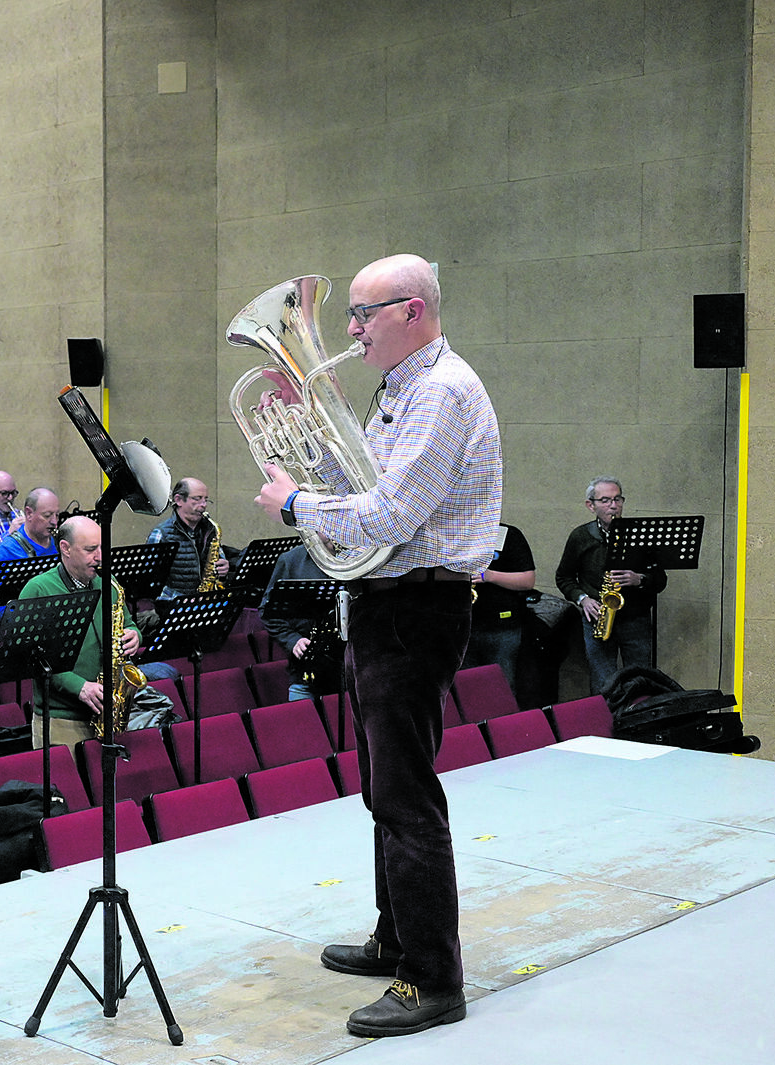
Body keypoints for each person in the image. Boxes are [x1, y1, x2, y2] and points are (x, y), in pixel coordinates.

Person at [254, 254, 500, 1038]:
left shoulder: (443, 390)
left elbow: (389, 514)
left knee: (405, 796)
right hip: (384, 603)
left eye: (365, 313)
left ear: (414, 312)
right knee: (381, 789)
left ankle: (432, 978)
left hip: (416, 606)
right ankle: (397, 937)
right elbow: (355, 483)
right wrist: (306, 436)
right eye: (351, 314)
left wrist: (295, 500)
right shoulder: (401, 387)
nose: (350, 329)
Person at [14, 516, 140, 748]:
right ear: (65, 548)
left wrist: (134, 634)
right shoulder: (39, 589)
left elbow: (129, 623)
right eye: (91, 549)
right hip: (61, 720)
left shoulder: (107, 582)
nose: (100, 557)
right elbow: (29, 656)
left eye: (102, 548)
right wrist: (79, 687)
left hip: (107, 711)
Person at [555, 477, 666, 695]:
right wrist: (583, 599)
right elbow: (564, 577)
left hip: (635, 620)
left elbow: (660, 580)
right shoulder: (581, 536)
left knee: (642, 680)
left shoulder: (640, 535)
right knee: (603, 683)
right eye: (605, 500)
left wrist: (640, 579)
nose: (613, 506)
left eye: (617, 499)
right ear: (591, 505)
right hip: (597, 617)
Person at [464, 523, 536, 698]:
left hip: (501, 628)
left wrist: (489, 576)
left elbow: (528, 580)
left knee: (501, 689)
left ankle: (503, 725)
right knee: (467, 690)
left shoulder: (508, 534)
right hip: (463, 627)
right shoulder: (455, 534)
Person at [259, 543, 337, 703]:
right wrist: (292, 640)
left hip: (346, 668)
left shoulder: (357, 557)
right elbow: (267, 611)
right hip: (306, 672)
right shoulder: (292, 560)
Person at [147, 478, 230, 599]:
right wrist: (183, 600)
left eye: (205, 499)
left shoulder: (210, 530)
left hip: (203, 601)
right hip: (173, 604)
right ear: (178, 500)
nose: (204, 505)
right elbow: (150, 580)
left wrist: (223, 570)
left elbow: (218, 562)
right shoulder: (161, 533)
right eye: (197, 499)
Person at [0, 488, 60, 564]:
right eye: (47, 516)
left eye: (57, 515)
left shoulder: (60, 543)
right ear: (29, 513)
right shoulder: (6, 551)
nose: (54, 522)